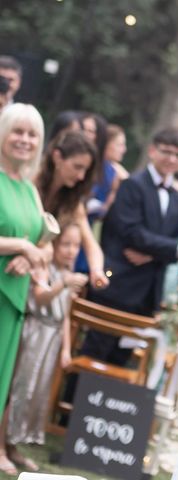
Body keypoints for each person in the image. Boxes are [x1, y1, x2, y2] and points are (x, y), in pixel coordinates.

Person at [81, 128, 178, 366]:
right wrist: (171, 249)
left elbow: (177, 240)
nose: (171, 159)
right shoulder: (132, 185)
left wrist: (152, 255)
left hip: (148, 294)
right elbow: (129, 232)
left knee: (123, 361)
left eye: (177, 155)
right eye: (166, 152)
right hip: (118, 287)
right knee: (94, 355)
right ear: (152, 151)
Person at [1, 222, 87, 473]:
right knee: (18, 390)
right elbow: (40, 297)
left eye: (76, 246)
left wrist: (66, 349)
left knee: (34, 394)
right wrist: (63, 284)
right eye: (66, 245)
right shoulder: (44, 268)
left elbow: (66, 315)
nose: (71, 251)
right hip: (34, 332)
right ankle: (0, 448)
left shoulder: (66, 271)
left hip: (52, 339)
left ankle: (12, 443)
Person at [0, 103, 47, 475]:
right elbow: (26, 242)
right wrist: (20, 247)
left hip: (14, 298)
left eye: (32, 134)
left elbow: (42, 240)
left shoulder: (30, 189)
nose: (25, 140)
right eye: (18, 131)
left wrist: (31, 256)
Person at [34, 130, 109, 290]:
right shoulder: (30, 183)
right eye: (77, 167)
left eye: (85, 171)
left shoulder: (73, 203)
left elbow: (90, 244)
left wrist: (96, 271)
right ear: (57, 157)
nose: (81, 176)